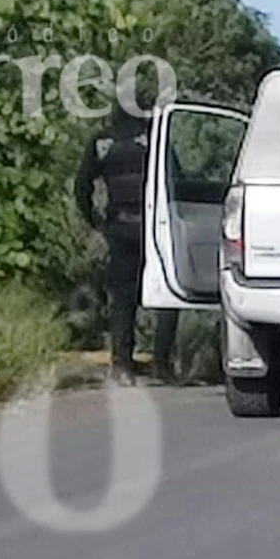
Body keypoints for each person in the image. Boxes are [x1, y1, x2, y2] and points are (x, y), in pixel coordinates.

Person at [76, 103, 179, 386]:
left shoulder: (103, 141)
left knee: (123, 298)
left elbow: (82, 185)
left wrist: (95, 221)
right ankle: (162, 363)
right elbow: (176, 179)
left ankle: (122, 365)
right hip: (156, 228)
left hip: (119, 226)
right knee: (167, 295)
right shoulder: (155, 139)